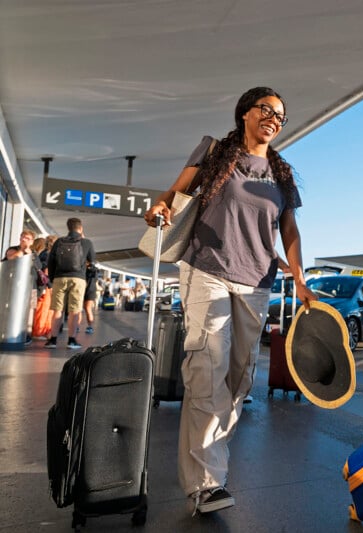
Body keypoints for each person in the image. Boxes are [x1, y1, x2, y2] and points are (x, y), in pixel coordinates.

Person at [143, 86, 316, 516]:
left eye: (281, 115)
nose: (274, 119)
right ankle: (206, 483)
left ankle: (212, 461)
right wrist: (157, 210)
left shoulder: (282, 173)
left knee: (237, 381)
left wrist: (299, 276)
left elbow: (288, 231)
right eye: (266, 110)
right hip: (207, 270)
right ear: (244, 113)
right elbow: (171, 195)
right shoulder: (216, 151)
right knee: (207, 368)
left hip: (257, 281)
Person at [44, 218, 96, 350]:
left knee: (57, 309)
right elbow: (93, 261)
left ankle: (53, 340)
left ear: (68, 228)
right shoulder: (86, 242)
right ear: (81, 228)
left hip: (59, 278)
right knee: (75, 310)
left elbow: (51, 261)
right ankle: (71, 340)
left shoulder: (59, 241)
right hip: (78, 278)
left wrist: (52, 278)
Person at [3, 229, 43, 345]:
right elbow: (11, 258)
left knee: (31, 309)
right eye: (23, 237)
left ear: (32, 241)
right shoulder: (13, 249)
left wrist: (29, 253)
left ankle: (27, 334)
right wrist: (22, 251)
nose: (24, 239)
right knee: (12, 307)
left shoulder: (34, 254)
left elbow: (38, 267)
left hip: (32, 286)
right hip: (14, 286)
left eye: (27, 238)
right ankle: (8, 331)